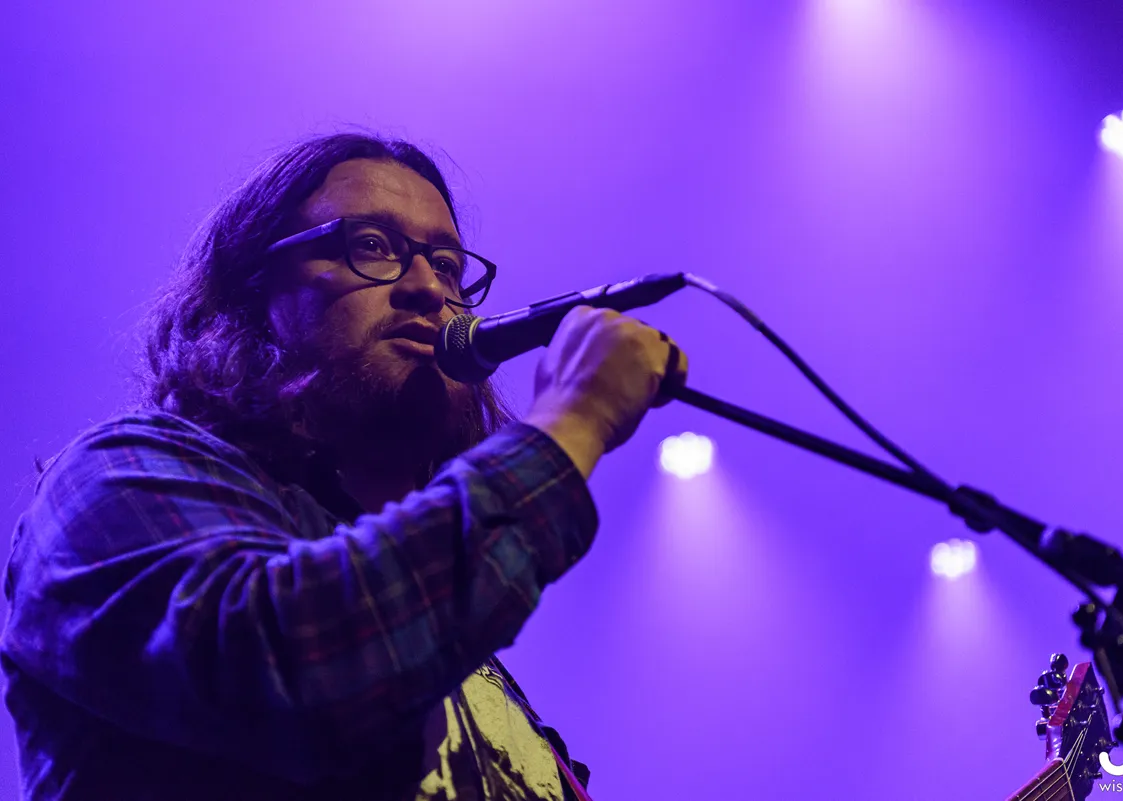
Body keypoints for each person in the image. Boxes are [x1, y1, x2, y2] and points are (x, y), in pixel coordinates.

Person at [1, 133, 687, 801]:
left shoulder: (456, 647)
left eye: (448, 264)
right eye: (372, 246)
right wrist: (573, 424)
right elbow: (292, 670)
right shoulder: (111, 479)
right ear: (253, 295)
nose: (429, 288)